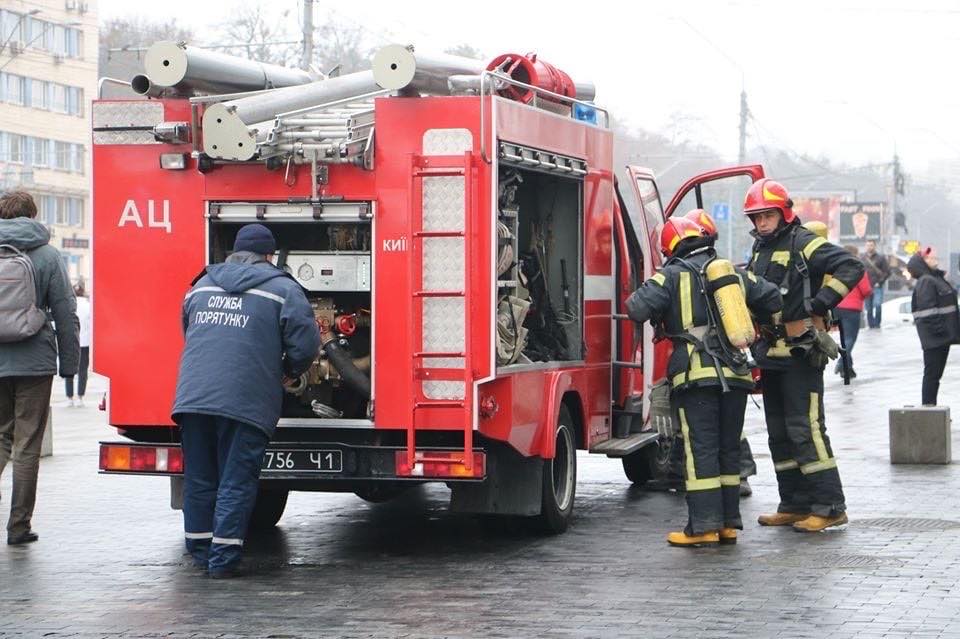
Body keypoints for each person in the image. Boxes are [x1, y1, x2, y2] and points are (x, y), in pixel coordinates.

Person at [172, 224, 320, 578]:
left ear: (233, 252)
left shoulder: (201, 286)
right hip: (246, 400)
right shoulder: (284, 289)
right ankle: (222, 561)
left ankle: (201, 551)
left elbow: (188, 329)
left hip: (193, 397)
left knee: (200, 477)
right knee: (235, 480)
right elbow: (305, 346)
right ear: (270, 256)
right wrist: (289, 371)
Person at [626, 214, 782, 547]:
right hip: (737, 375)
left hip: (697, 377)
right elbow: (772, 298)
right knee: (728, 449)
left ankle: (702, 527)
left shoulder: (669, 276)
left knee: (700, 451)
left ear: (672, 245)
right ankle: (727, 524)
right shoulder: (732, 274)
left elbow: (636, 308)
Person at [744, 179, 864, 533]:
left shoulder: (804, 243)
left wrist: (821, 302)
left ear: (783, 212)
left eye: (767, 215)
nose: (762, 222)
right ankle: (794, 503)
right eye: (756, 217)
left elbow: (851, 267)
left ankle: (830, 506)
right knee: (778, 433)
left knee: (806, 429)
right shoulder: (760, 251)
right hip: (770, 354)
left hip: (800, 354)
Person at [0, 190, 79, 545]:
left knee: (1, 437)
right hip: (34, 361)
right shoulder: (47, 254)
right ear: (32, 215)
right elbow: (64, 310)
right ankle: (18, 527)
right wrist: (71, 364)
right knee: (27, 444)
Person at [683, 208, 757, 498]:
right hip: (734, 363)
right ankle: (740, 475)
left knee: (703, 430)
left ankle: (719, 482)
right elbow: (769, 297)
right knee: (730, 427)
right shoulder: (730, 274)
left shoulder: (678, 274)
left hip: (699, 367)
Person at [907, 247, 960, 406]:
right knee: (932, 375)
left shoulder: (934, 278)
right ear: (923, 262)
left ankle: (931, 410)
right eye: (931, 257)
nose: (935, 259)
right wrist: (942, 331)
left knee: (935, 375)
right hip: (936, 339)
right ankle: (929, 409)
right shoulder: (927, 281)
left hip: (941, 338)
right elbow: (927, 312)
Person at [833, 246, 872, 379]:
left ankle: (848, 369)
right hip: (852, 309)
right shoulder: (858, 268)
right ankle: (841, 362)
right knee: (850, 339)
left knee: (844, 338)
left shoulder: (836, 267)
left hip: (837, 306)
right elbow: (866, 290)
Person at [65, 282, 91, 407]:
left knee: (69, 368)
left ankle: (70, 397)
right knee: (82, 370)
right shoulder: (88, 306)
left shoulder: (69, 304)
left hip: (70, 341)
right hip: (84, 342)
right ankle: (80, 397)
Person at [862, 239, 890, 328]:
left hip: (877, 286)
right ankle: (871, 325)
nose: (869, 247)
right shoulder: (862, 258)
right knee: (868, 308)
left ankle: (877, 324)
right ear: (865, 246)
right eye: (868, 245)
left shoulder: (881, 258)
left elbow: (887, 272)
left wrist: (880, 282)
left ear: (875, 246)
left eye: (871, 245)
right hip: (866, 287)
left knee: (877, 305)